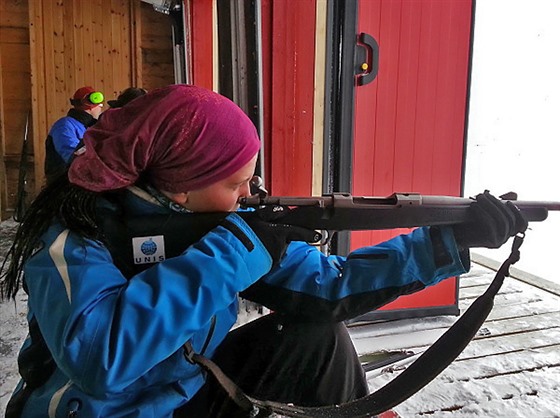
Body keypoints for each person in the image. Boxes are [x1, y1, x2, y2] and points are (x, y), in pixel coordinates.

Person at [0, 85, 527, 418]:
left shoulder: (213, 226)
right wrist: (234, 251)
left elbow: (329, 286)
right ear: (183, 187)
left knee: (315, 336)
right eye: (238, 183)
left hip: (183, 394)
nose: (250, 196)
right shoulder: (74, 235)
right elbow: (101, 360)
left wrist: (449, 240)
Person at [44, 86, 104, 184]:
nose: (100, 109)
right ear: (90, 106)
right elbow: (73, 158)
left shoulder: (88, 127)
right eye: (100, 106)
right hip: (63, 185)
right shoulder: (64, 126)